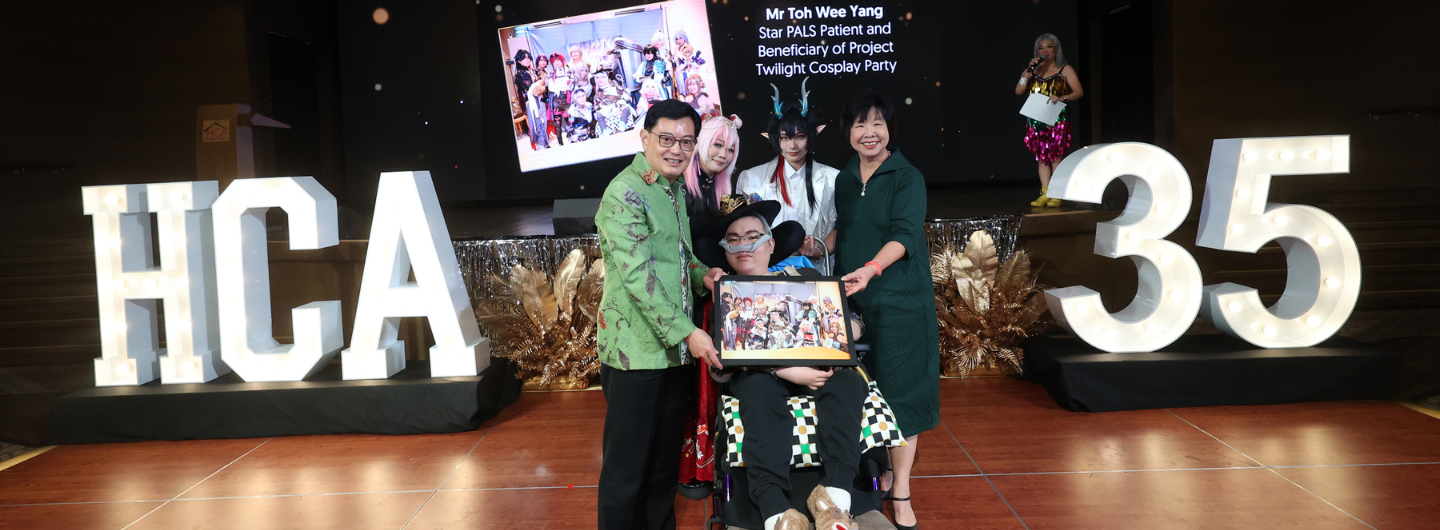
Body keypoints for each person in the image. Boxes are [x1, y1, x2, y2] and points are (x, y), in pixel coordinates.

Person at [693, 194, 873, 530]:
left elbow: (850, 315)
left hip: (820, 364)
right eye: (734, 240)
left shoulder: (803, 274)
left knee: (849, 379)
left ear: (771, 243)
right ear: (725, 249)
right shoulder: (725, 293)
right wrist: (783, 368)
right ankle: (776, 509)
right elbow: (727, 352)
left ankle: (834, 498)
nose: (744, 246)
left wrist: (844, 331)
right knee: (758, 390)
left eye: (752, 237)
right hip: (758, 374)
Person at [594, 99, 726, 530]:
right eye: (667, 139)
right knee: (626, 469)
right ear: (645, 138)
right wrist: (689, 332)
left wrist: (706, 276)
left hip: (674, 354)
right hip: (635, 352)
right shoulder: (625, 192)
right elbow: (640, 277)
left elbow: (679, 259)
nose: (677, 149)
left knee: (663, 466)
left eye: (686, 141)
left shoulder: (672, 190)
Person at [834, 90, 940, 530]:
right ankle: (874, 477)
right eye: (860, 124)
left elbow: (905, 234)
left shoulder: (907, 176)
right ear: (849, 132)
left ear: (889, 129)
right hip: (854, 303)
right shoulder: (844, 178)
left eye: (877, 123)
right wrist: (816, 247)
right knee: (859, 394)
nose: (869, 132)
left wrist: (871, 268)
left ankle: (901, 491)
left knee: (900, 398)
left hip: (899, 301)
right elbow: (847, 229)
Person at [736, 78, 839, 262]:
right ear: (774, 138)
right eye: (784, 137)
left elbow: (845, 228)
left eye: (800, 136)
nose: (793, 145)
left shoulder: (834, 179)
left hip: (816, 270)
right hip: (765, 271)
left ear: (812, 136)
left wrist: (819, 250)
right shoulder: (751, 178)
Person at [1016, 33, 1085, 208]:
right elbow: (1019, 90)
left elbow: (1078, 92)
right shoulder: (1032, 71)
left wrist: (1062, 97)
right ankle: (1045, 192)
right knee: (1042, 158)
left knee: (1056, 157)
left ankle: (1057, 193)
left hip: (1056, 118)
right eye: (1041, 48)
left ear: (1056, 49)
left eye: (1049, 47)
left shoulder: (1065, 69)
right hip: (1037, 120)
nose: (1045, 50)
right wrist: (1028, 71)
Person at [512, 49, 549, 150]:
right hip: (532, 103)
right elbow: (532, 89)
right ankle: (541, 147)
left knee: (543, 123)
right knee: (537, 125)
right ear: (519, 61)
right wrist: (541, 83)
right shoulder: (520, 75)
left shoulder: (532, 71)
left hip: (541, 100)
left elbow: (542, 84)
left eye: (528, 57)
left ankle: (545, 143)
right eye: (524, 58)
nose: (527, 60)